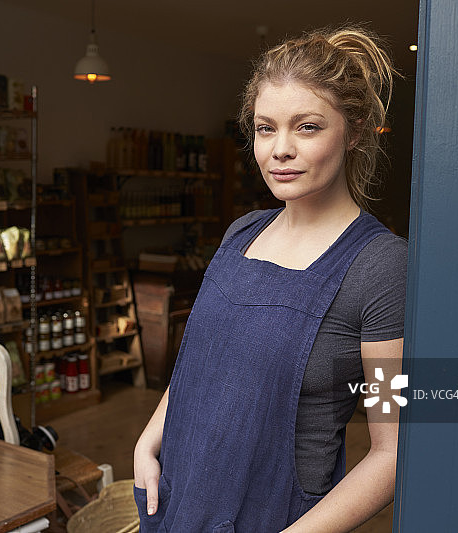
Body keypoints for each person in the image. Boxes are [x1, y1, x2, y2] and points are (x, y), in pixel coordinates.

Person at [133, 26, 406, 532]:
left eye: (307, 127)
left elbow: (393, 453)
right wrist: (147, 441)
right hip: (175, 503)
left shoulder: (382, 267)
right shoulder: (241, 233)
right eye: (265, 128)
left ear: (355, 130)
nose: (280, 149)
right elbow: (203, 362)